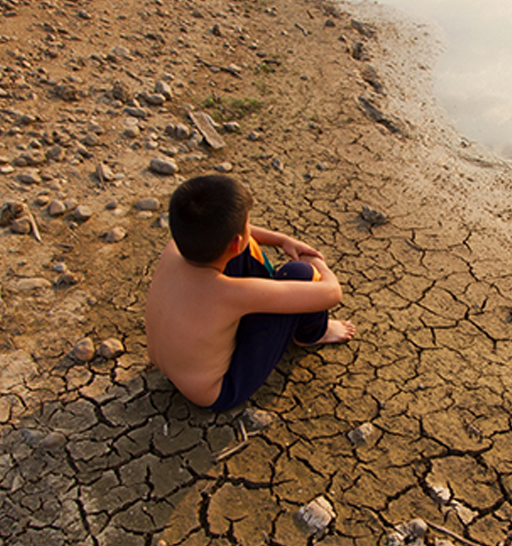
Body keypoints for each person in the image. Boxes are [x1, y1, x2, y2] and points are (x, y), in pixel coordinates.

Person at [145, 174, 355, 411]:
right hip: (219, 391)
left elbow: (236, 234)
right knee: (301, 272)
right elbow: (331, 293)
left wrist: (282, 240)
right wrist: (316, 261)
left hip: (171, 366)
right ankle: (313, 333)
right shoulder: (231, 294)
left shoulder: (175, 248)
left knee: (244, 249)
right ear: (236, 240)